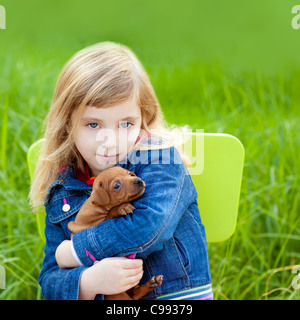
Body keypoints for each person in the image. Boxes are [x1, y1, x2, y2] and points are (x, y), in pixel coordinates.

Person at [29, 41, 213, 300]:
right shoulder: (62, 189)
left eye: (126, 123)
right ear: (67, 124)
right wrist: (89, 282)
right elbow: (50, 281)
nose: (111, 140)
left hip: (174, 297)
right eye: (93, 124)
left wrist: (75, 252)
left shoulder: (160, 158)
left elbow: (150, 226)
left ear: (143, 117)